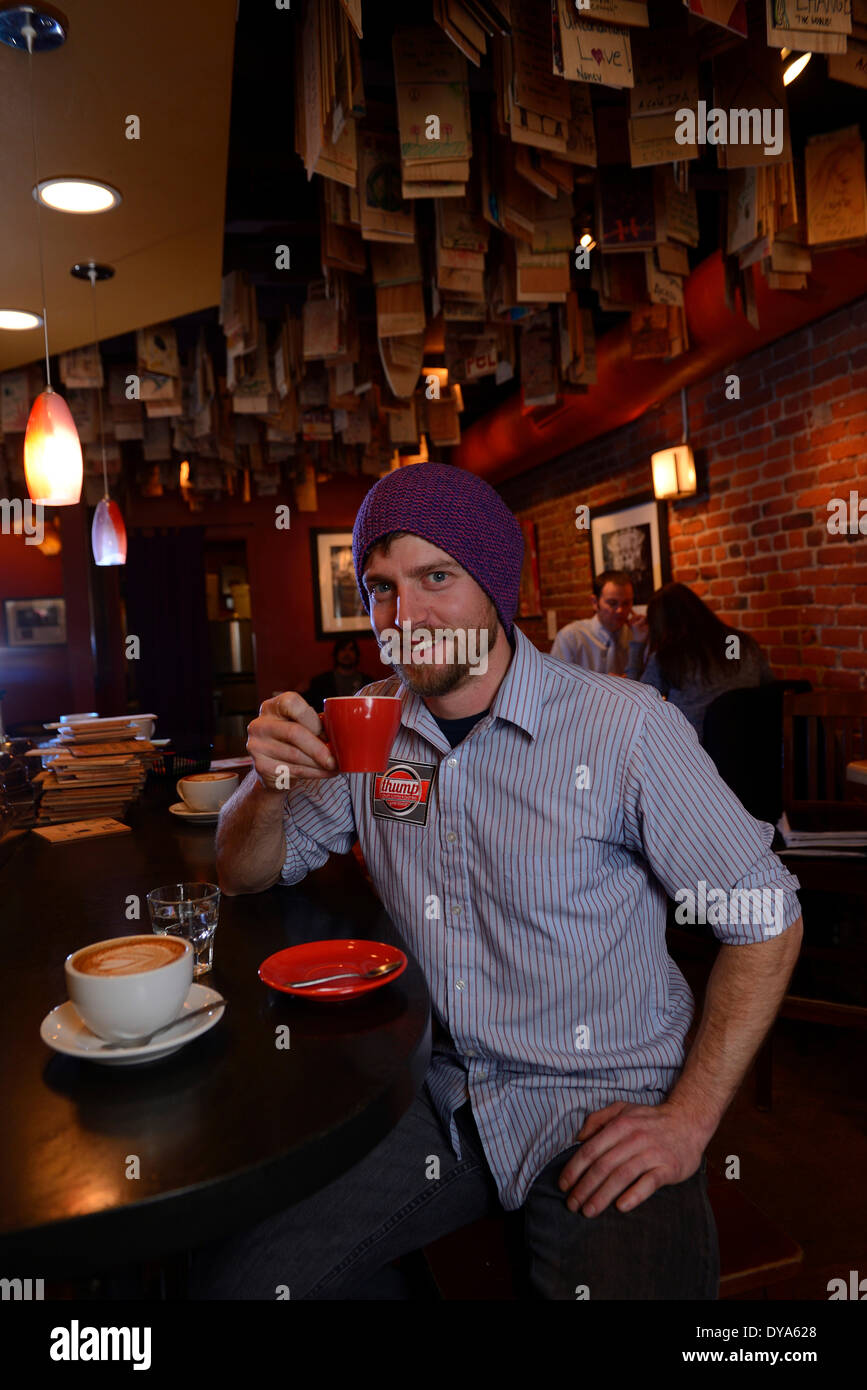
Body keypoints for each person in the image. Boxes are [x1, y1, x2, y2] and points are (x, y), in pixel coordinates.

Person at [196, 461, 803, 1302]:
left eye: (434, 577)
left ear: (493, 584)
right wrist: (269, 783)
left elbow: (767, 917)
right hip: (438, 1098)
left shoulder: (625, 729)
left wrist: (689, 1119)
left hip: (601, 1108)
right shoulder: (369, 724)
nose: (404, 617)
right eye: (380, 588)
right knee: (236, 1283)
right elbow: (240, 873)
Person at [640, 582, 775, 740]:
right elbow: (769, 685)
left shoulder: (669, 656)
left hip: (694, 752)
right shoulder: (740, 642)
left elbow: (637, 703)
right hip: (754, 742)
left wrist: (637, 644)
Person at [550, 570, 648, 677]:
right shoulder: (571, 637)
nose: (620, 610)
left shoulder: (635, 637)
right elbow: (556, 686)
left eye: (626, 603)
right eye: (612, 603)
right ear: (594, 602)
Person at [301, 636, 375, 712]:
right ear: (336, 654)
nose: (347, 653)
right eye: (342, 649)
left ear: (357, 654)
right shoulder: (321, 682)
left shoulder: (368, 683)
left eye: (351, 649)